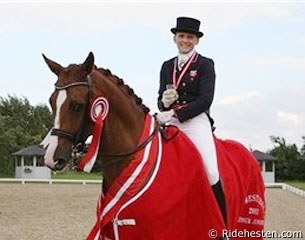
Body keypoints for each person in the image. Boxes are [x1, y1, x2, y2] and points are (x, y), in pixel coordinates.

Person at [156, 16, 227, 224]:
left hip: (195, 120)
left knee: (211, 171)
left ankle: (223, 224)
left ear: (196, 40)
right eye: (181, 36)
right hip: (170, 118)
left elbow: (206, 100)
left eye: (189, 37)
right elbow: (161, 100)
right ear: (174, 39)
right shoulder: (167, 66)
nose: (185, 40)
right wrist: (163, 101)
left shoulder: (205, 64)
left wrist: (177, 113)